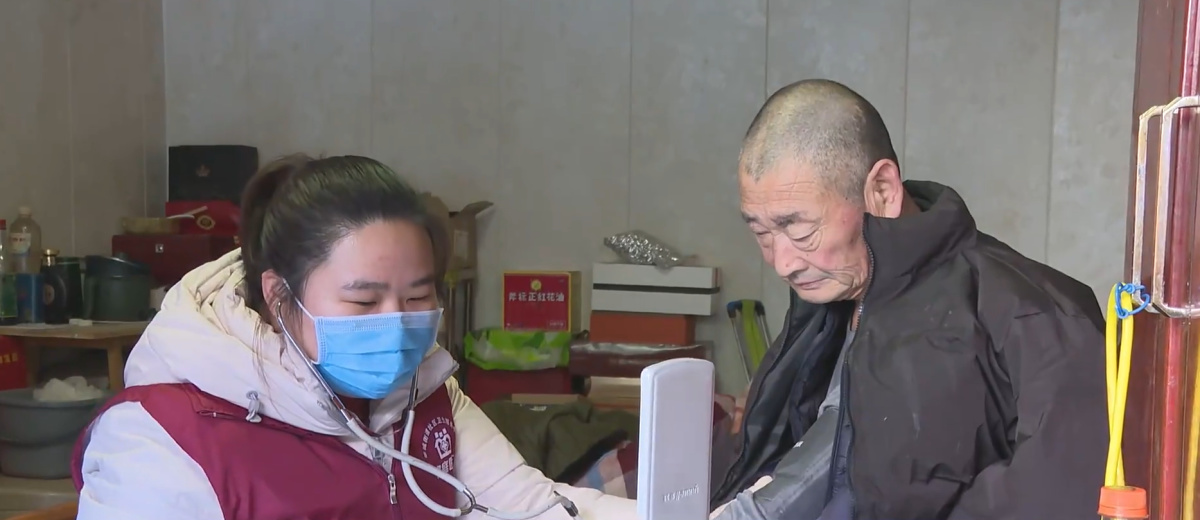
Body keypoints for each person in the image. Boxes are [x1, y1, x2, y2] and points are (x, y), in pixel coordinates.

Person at [72, 155, 637, 520]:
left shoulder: (423, 392)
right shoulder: (160, 438)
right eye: (364, 302)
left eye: (417, 298)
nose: (396, 323)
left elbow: (533, 508)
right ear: (279, 294)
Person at [709, 79, 1108, 520]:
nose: (782, 263)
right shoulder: (827, 300)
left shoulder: (1038, 316)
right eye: (762, 233)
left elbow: (1059, 498)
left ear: (882, 190)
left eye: (800, 230)